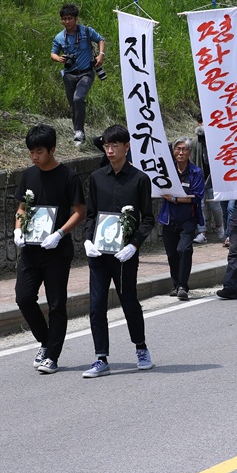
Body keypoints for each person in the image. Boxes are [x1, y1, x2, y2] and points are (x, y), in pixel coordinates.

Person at [82, 124, 156, 377]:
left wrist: (134, 245)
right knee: (96, 304)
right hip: (99, 252)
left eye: (115, 145)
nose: (110, 150)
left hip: (124, 253)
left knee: (129, 302)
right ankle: (101, 357)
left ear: (127, 147)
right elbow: (90, 214)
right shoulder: (96, 178)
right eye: (106, 146)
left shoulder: (139, 179)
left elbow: (148, 218)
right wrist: (87, 240)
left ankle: (141, 348)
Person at [12, 124, 86, 375]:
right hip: (31, 250)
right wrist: (18, 230)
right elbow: (22, 207)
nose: (35, 157)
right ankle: (46, 341)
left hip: (56, 250)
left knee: (56, 304)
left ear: (52, 150)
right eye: (31, 152)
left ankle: (52, 355)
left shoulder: (69, 176)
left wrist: (59, 233)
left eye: (39, 151)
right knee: (23, 297)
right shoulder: (28, 175)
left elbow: (79, 212)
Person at [50, 4, 105, 144]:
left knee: (78, 98)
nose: (67, 22)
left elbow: (100, 39)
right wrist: (59, 58)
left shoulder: (86, 31)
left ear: (76, 18)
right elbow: (53, 53)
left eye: (69, 18)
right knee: (73, 105)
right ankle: (78, 132)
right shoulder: (59, 37)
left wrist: (100, 55)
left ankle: (79, 132)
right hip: (69, 75)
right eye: (64, 19)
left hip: (86, 73)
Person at [160, 138, 205, 301]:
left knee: (184, 250)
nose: (181, 152)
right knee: (172, 254)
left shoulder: (196, 172)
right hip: (169, 218)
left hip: (188, 219)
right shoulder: (166, 171)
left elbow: (196, 197)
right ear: (173, 152)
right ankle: (176, 284)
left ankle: (182, 286)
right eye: (178, 149)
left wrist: (174, 199)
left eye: (184, 149)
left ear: (190, 152)